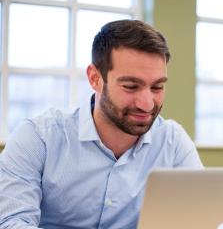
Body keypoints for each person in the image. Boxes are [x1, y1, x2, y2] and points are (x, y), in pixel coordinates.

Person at [0, 20, 203, 229]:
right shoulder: (38, 137)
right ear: (95, 78)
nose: (147, 103)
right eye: (131, 86)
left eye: (157, 87)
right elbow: (11, 223)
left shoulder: (173, 142)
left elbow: (203, 218)